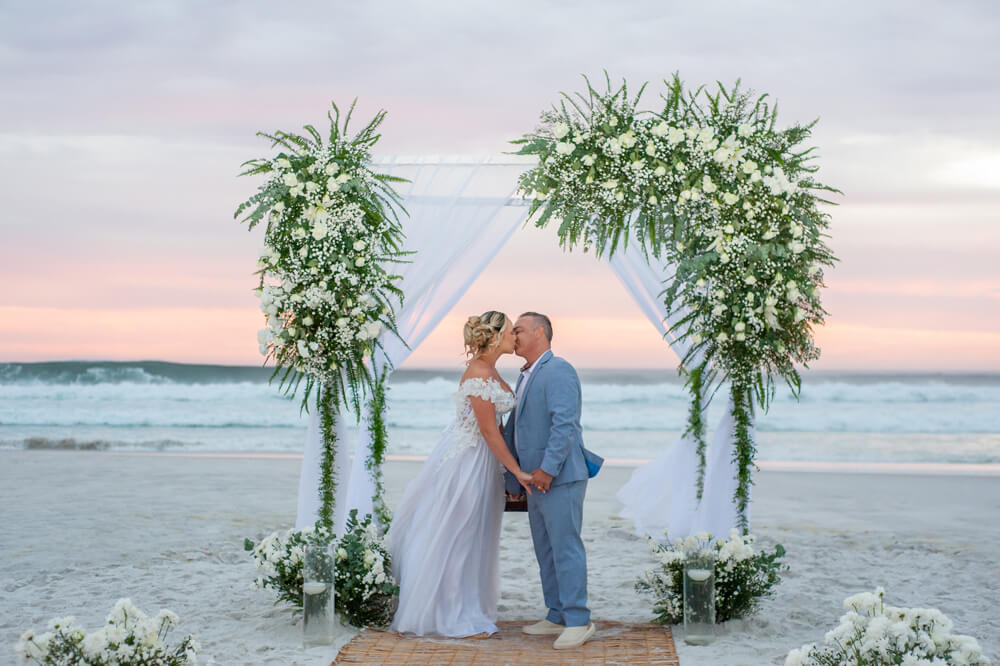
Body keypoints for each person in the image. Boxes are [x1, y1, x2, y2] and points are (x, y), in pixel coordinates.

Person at [387, 311, 534, 637]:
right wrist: (518, 472)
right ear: (495, 336)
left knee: (478, 534)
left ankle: (468, 605)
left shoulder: (492, 370)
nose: (515, 337)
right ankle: (446, 612)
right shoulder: (478, 374)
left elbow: (497, 427)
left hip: (485, 463)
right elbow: (489, 432)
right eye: (511, 331)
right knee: (459, 533)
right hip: (467, 461)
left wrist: (504, 471)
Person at [503, 312, 601, 650]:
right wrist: (514, 479)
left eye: (518, 329)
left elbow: (565, 424)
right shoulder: (525, 375)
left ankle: (578, 619)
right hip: (534, 481)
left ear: (540, 332)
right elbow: (517, 429)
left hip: (559, 477)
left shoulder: (559, 369)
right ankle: (556, 613)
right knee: (546, 550)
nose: (513, 335)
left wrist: (547, 469)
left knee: (565, 548)